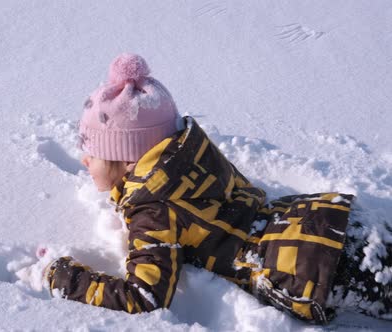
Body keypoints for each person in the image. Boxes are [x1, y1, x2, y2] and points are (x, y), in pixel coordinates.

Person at [40, 53, 392, 324]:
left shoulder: (153, 210)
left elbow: (144, 297)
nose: (85, 160)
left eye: (94, 152)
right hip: (324, 222)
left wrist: (66, 278)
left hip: (313, 265)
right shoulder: (192, 154)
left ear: (128, 159)